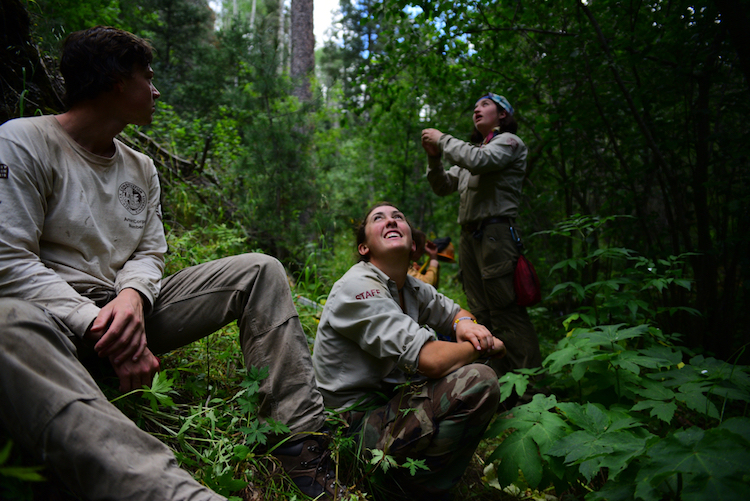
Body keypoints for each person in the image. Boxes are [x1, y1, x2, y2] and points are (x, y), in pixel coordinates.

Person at [0, 26, 338, 501]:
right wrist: (99, 324)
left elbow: (149, 250)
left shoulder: (141, 167)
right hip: (53, 320)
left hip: (127, 308)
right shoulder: (23, 141)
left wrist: (133, 298)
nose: (155, 90)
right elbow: (8, 261)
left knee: (259, 269)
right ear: (118, 81)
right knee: (5, 323)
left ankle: (301, 446)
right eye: (148, 77)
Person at [312, 203, 504, 500]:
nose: (390, 221)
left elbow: (454, 312)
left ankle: (413, 482)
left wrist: (466, 324)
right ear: (364, 247)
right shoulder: (357, 286)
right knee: (477, 379)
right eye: (379, 219)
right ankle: (404, 490)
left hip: (386, 408)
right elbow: (431, 360)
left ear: (413, 244)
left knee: (468, 377)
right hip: (347, 431)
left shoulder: (410, 287)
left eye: (397, 217)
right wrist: (480, 347)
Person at [421, 92, 542, 376]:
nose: (477, 109)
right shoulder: (472, 151)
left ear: (502, 114)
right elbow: (442, 185)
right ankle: (500, 386)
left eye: (485, 104)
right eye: (475, 106)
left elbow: (480, 161)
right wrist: (434, 159)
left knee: (506, 312)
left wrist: (442, 139)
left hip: (496, 236)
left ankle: (532, 392)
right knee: (482, 314)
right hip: (471, 239)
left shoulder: (509, 143)